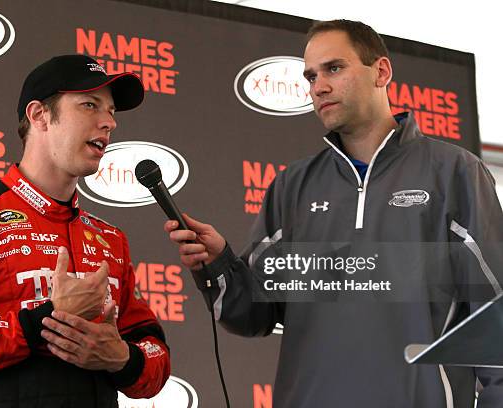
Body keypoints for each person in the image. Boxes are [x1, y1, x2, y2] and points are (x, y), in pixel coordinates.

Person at [165, 20, 503, 407]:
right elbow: (253, 314)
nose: (318, 87)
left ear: (381, 71)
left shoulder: (453, 172)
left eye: (334, 69)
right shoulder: (292, 186)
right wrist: (218, 263)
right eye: (310, 77)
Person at [0, 54, 170, 407]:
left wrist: (122, 358)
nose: (109, 123)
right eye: (90, 105)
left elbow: (155, 359)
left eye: (111, 111)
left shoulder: (110, 240)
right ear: (39, 115)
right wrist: (42, 319)